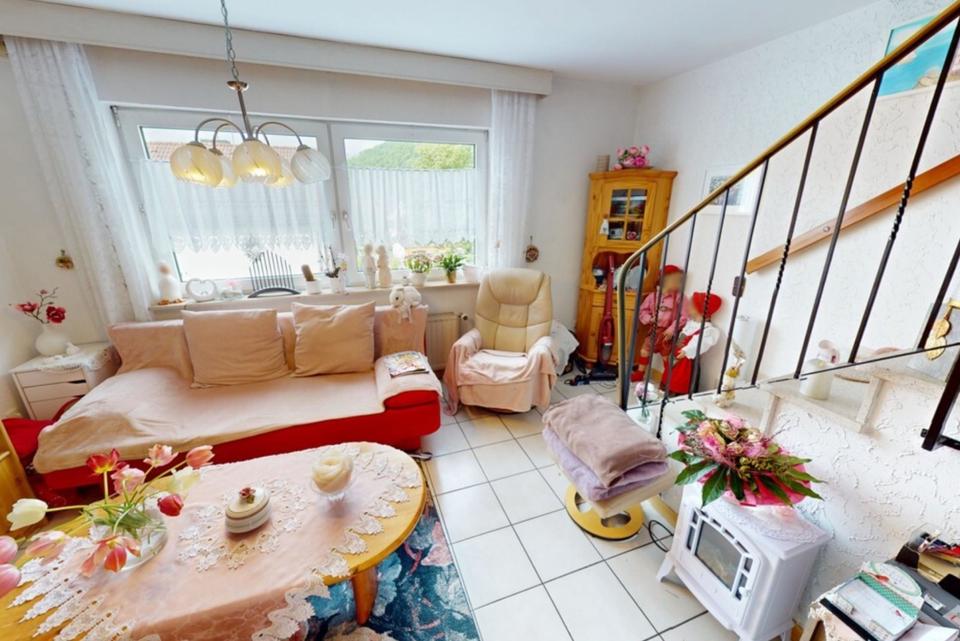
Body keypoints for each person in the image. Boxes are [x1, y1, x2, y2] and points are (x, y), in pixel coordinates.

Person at [632, 265, 687, 382]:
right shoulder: (653, 296)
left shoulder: (679, 298)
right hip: (654, 330)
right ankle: (640, 373)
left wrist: (672, 329)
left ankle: (668, 377)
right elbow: (642, 310)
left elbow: (684, 316)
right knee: (644, 351)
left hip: (667, 333)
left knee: (666, 355)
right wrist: (649, 319)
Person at [663, 291, 723, 396]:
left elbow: (699, 344)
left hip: (687, 364)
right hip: (676, 359)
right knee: (670, 380)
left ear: (700, 309)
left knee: (680, 384)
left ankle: (678, 399)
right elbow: (682, 336)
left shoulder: (708, 330)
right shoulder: (691, 323)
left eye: (691, 304)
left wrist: (687, 350)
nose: (688, 306)